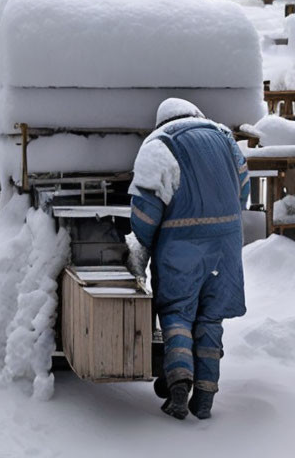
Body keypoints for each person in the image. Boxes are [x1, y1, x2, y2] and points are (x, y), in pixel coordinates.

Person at [129, 98, 250, 420]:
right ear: (195, 114)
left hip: (180, 245)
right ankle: (206, 398)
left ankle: (179, 381)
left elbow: (145, 206)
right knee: (210, 318)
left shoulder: (159, 143)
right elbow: (244, 188)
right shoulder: (224, 136)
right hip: (226, 242)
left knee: (177, 313)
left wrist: (147, 242)